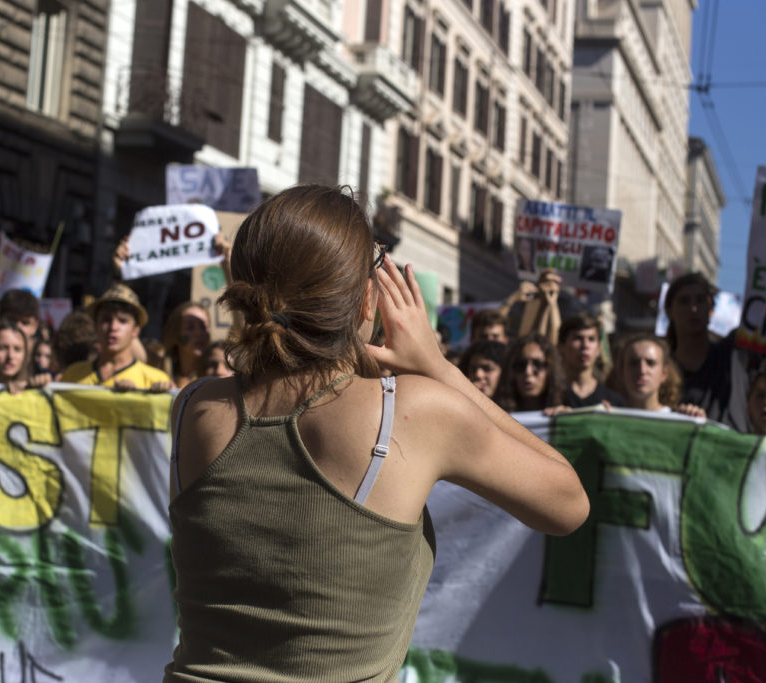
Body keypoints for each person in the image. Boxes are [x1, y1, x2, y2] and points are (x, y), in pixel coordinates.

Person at [165, 185, 588, 680]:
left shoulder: (195, 405)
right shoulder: (410, 411)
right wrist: (439, 368)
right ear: (368, 299)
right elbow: (569, 504)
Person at [664, 273, 752, 429]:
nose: (693, 308)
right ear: (669, 311)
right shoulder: (656, 367)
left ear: (711, 310)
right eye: (684, 301)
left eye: (701, 300)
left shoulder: (733, 354)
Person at [62, 283, 173, 392]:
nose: (113, 327)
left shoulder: (155, 381)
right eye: (106, 319)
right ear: (96, 326)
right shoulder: (72, 375)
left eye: (122, 320)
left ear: (135, 330)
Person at [610, 333, 704, 416]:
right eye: (634, 363)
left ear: (664, 373)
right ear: (621, 371)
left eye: (650, 363)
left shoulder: (681, 420)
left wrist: (700, 425)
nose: (642, 370)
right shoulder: (609, 418)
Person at [556, 313, 624, 408]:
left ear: (599, 348)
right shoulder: (550, 396)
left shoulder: (613, 400)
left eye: (591, 339)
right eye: (578, 338)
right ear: (561, 346)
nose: (585, 345)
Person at [493, 332, 565, 413]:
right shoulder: (495, 413)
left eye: (537, 364)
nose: (528, 372)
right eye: (521, 365)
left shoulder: (566, 405)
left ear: (550, 370)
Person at [0, 320, 48, 393]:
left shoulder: (33, 390)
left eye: (17, 349)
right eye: (2, 348)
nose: (10, 356)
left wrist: (43, 385)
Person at [162, 300, 211, 388]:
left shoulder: (216, 373)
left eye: (203, 327)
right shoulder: (159, 371)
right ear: (175, 334)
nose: (198, 333)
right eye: (190, 327)